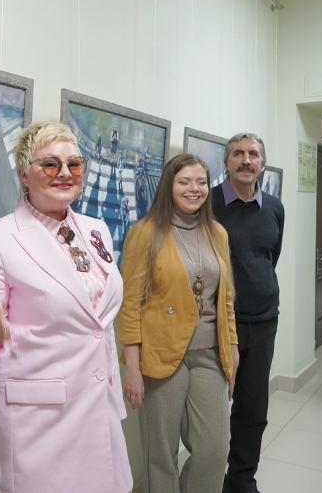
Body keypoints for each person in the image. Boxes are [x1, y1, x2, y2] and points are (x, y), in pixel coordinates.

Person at [0, 121, 133, 493]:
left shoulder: (96, 231)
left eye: (75, 164)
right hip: (39, 419)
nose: (65, 173)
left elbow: (98, 321)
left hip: (98, 404)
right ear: (24, 173)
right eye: (51, 164)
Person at [119, 153, 239, 493]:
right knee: (160, 454)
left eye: (201, 182)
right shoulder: (145, 233)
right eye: (184, 181)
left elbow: (226, 300)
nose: (194, 189)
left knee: (214, 450)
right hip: (159, 355)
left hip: (209, 354)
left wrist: (232, 348)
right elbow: (131, 304)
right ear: (168, 186)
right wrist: (132, 367)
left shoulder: (218, 233)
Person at [214, 133, 284, 493]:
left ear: (262, 163)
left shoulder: (274, 207)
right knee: (211, 410)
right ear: (226, 162)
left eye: (253, 154)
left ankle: (241, 479)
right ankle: (207, 478)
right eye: (238, 154)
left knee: (253, 410)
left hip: (263, 322)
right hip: (216, 325)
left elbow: (270, 256)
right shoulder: (209, 204)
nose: (246, 160)